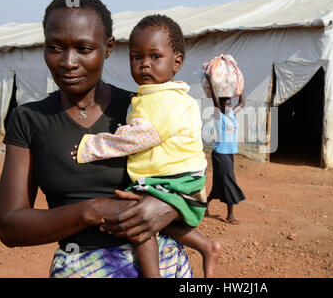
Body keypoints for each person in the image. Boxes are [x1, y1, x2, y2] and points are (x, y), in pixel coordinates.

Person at [0, 0, 193, 278]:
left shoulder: (141, 111)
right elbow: (10, 226)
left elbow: (188, 174)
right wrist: (93, 210)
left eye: (84, 48)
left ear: (108, 47)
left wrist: (170, 208)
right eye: (55, 47)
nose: (68, 61)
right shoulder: (29, 120)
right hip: (81, 269)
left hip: (160, 264)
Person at [71, 14, 222, 278]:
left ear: (177, 62)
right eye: (136, 57)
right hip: (183, 178)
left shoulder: (163, 100)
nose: (144, 65)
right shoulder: (161, 95)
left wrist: (92, 146)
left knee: (138, 223)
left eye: (155, 57)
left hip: (175, 179)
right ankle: (206, 245)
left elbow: (138, 137)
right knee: (155, 220)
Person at [205, 72, 246, 224]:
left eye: (230, 103)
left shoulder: (232, 116)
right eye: (226, 104)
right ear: (220, 107)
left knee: (219, 183)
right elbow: (216, 101)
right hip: (220, 154)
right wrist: (210, 80)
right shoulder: (219, 116)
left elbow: (242, 103)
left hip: (228, 154)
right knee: (229, 181)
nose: (229, 106)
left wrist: (240, 85)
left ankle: (205, 204)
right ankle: (230, 214)